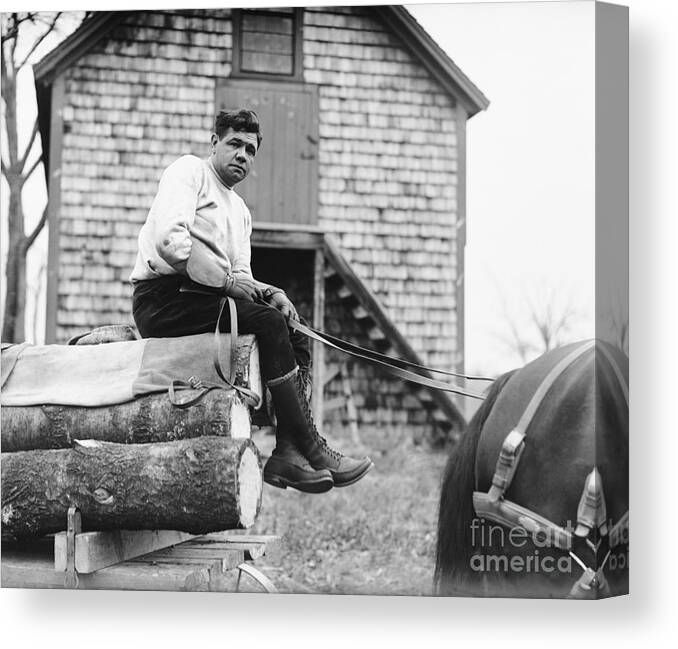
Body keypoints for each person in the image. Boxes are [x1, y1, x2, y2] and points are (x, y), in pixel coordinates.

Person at [130, 108, 373, 494]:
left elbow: (240, 277)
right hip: (165, 299)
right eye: (235, 144)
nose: (243, 155)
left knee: (294, 329)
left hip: (206, 300)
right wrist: (229, 284)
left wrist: (271, 293)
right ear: (215, 143)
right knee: (267, 324)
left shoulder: (240, 212)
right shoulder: (190, 172)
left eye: (251, 149)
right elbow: (170, 243)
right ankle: (311, 445)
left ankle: (288, 454)